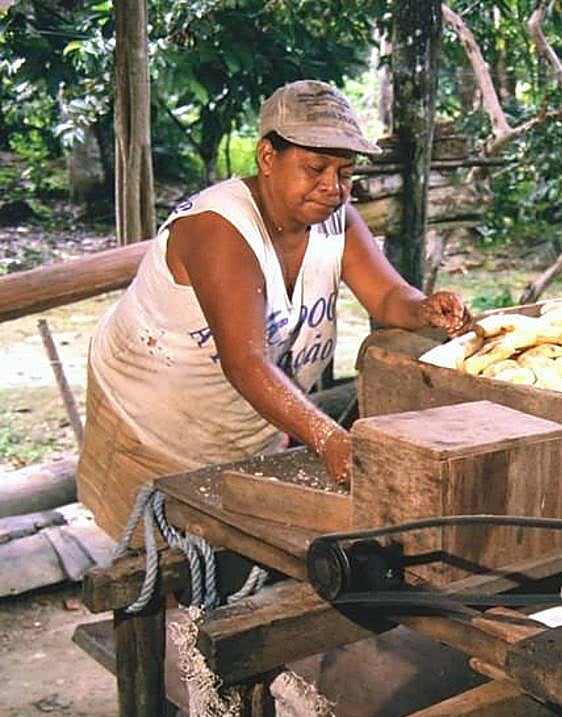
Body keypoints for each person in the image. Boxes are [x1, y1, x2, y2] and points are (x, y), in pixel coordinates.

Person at [78, 80, 473, 538]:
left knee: (227, 557)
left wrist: (424, 308)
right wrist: (327, 438)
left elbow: (386, 297)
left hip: (240, 422)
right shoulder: (218, 230)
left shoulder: (336, 221)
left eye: (345, 173)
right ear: (268, 157)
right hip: (148, 418)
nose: (333, 187)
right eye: (316, 167)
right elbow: (245, 362)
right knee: (151, 564)